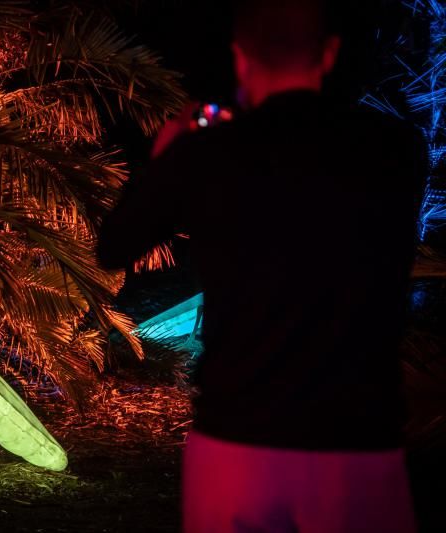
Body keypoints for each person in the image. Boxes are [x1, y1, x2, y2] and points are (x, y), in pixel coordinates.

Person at [97, 0, 427, 531]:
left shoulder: (208, 153)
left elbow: (114, 247)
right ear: (330, 53)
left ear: (240, 56)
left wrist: (169, 158)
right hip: (359, 439)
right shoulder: (393, 150)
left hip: (239, 439)